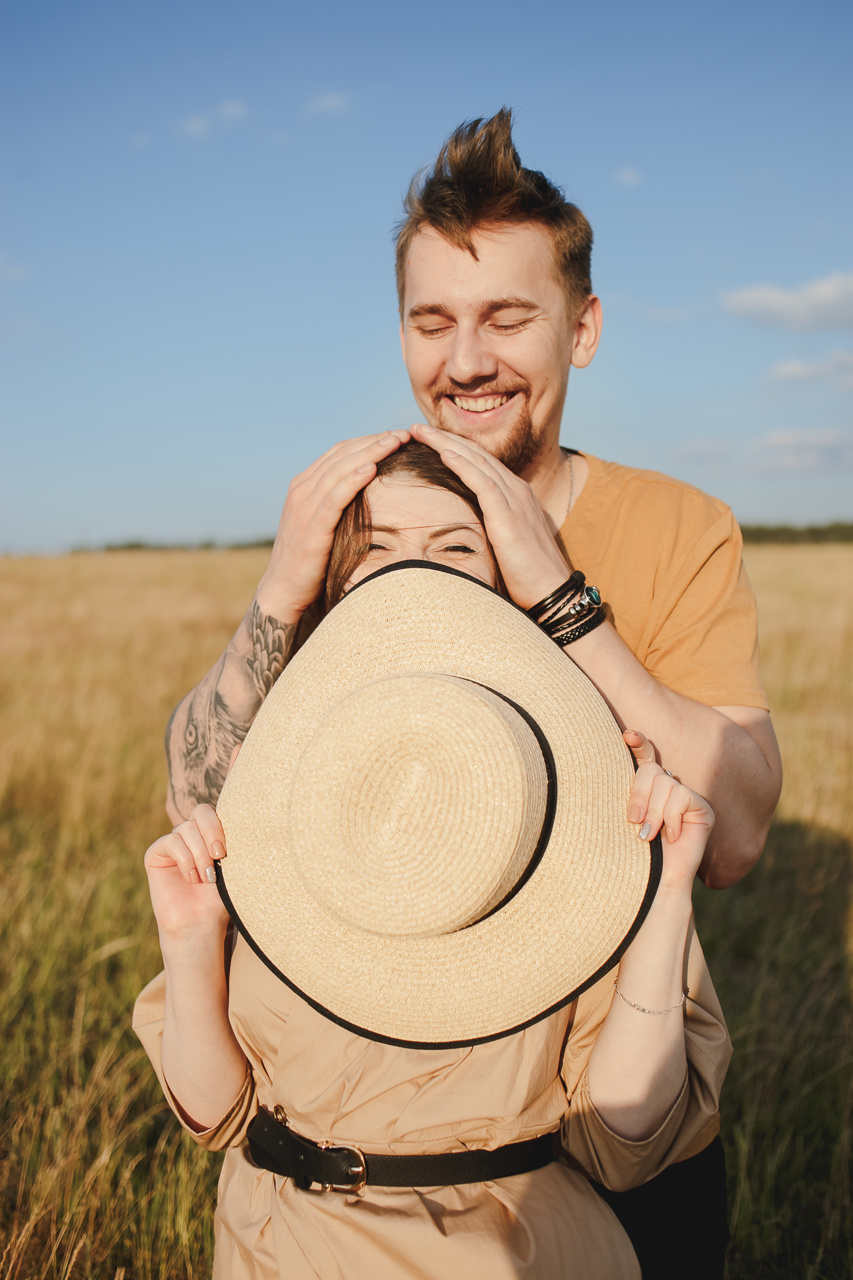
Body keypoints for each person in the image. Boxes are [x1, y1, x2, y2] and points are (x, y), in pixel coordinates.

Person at [162, 112, 783, 1272]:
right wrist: (282, 594)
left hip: (599, 1100)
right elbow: (208, 807)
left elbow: (739, 830)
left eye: (507, 316)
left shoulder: (674, 527)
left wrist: (559, 599)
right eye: (432, 320)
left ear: (582, 328)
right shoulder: (368, 514)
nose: (465, 361)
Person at [136, 448, 732, 1279]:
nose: (412, 568)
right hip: (270, 1245)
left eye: (455, 547)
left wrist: (666, 895)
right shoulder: (275, 802)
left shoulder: (586, 813)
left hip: (507, 1253)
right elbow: (214, 1116)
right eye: (374, 546)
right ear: (328, 576)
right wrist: (192, 942)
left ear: (504, 582)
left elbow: (625, 1145)